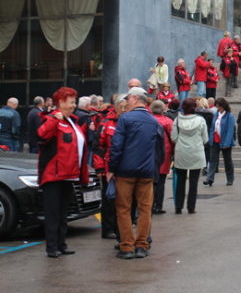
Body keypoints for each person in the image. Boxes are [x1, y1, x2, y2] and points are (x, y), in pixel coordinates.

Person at [109, 87, 164, 259]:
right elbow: (160, 150)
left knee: (123, 209)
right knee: (145, 209)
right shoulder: (154, 121)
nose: (126, 102)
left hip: (125, 170)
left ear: (134, 98)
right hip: (146, 172)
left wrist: (112, 168)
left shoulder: (125, 118)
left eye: (128, 99)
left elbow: (117, 146)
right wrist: (154, 168)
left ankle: (126, 247)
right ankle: (142, 245)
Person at [37, 87, 89, 258]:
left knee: (63, 213)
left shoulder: (72, 121)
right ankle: (52, 247)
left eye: (75, 101)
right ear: (60, 102)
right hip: (54, 175)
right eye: (71, 102)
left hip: (68, 175)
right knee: (53, 213)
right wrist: (54, 120)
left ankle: (61, 243)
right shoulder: (52, 119)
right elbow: (42, 136)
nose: (74, 105)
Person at [96, 95, 127, 240]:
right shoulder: (106, 122)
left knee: (122, 200)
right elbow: (99, 147)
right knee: (109, 199)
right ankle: (107, 229)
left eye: (124, 107)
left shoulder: (128, 121)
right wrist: (100, 169)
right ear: (115, 107)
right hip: (108, 167)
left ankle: (119, 228)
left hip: (124, 167)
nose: (122, 110)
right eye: (120, 107)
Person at [170, 98, 208, 214]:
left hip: (181, 152)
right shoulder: (200, 120)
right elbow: (205, 139)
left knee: (180, 181)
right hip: (196, 152)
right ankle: (191, 207)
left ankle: (178, 206)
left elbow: (173, 138)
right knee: (194, 182)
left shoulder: (177, 120)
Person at [149, 100, 174, 215]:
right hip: (164, 153)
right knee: (161, 181)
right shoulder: (168, 122)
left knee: (150, 182)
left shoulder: (148, 120)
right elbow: (173, 139)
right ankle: (158, 205)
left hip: (149, 154)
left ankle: (149, 204)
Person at [205, 98, 235, 186]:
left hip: (225, 141)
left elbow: (230, 130)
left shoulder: (229, 116)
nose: (218, 108)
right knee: (212, 160)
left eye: (220, 106)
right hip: (215, 140)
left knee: (227, 161)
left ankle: (230, 179)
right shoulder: (215, 114)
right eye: (217, 106)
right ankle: (209, 178)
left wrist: (227, 143)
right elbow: (212, 128)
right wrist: (210, 139)